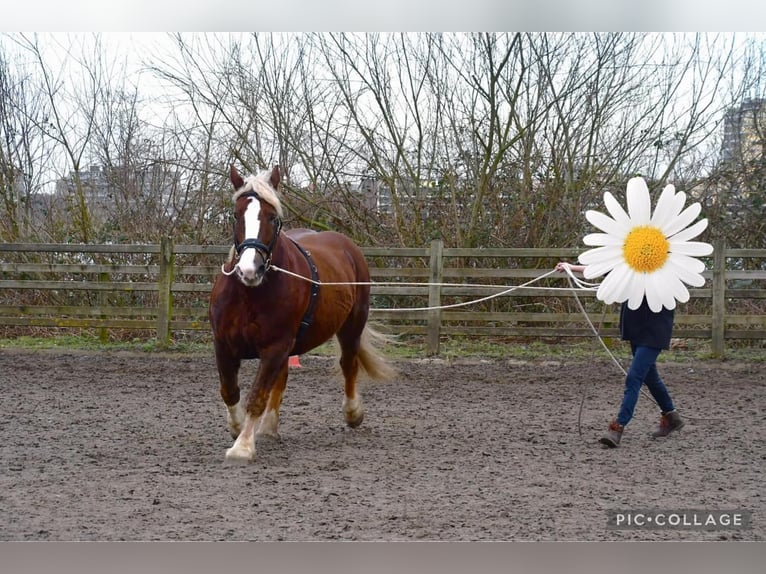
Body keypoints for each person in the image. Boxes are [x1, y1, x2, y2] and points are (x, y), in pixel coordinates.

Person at [555, 262, 685, 447]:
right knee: (651, 377)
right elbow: (603, 267)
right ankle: (672, 416)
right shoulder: (631, 265)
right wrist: (571, 267)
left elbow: (652, 292)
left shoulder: (668, 271)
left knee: (634, 378)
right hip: (636, 329)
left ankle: (618, 428)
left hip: (655, 332)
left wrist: (624, 284)